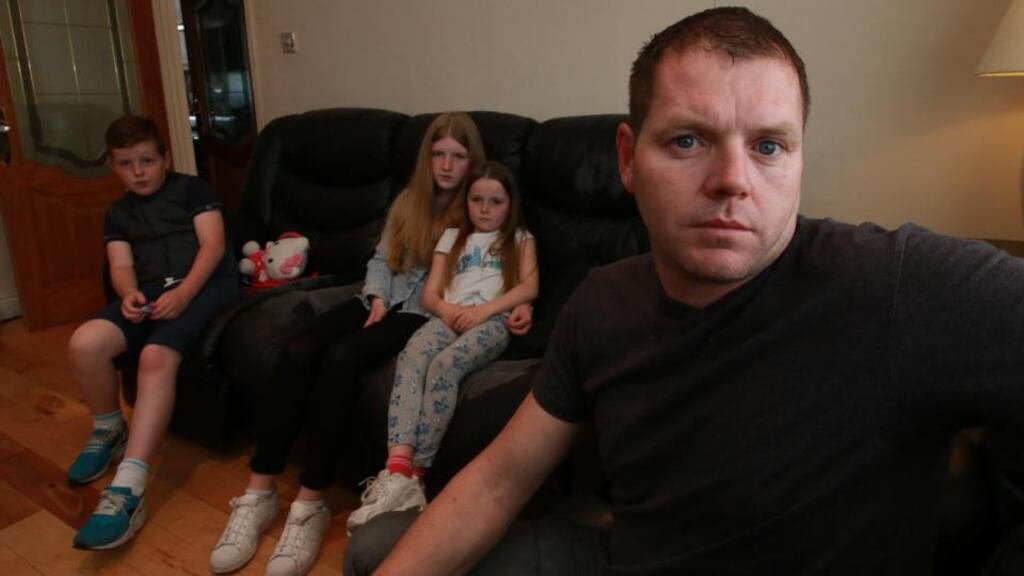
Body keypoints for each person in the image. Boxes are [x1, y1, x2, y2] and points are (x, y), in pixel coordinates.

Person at [347, 6, 1024, 576]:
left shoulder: (900, 286)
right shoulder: (601, 303)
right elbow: (499, 482)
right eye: (689, 139)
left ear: (799, 158)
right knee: (374, 551)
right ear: (626, 158)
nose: (733, 178)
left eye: (768, 146)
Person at [207, 113, 533, 576]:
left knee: (342, 359)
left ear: (472, 161)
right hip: (379, 298)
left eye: (457, 156)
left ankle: (310, 503)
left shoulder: (479, 207)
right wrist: (377, 295)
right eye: (438, 154)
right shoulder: (408, 199)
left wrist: (515, 306)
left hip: (421, 313)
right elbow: (381, 258)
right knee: (299, 350)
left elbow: (498, 273)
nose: (446, 165)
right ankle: (259, 492)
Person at [67, 114, 239, 550]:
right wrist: (127, 295)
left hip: (206, 283)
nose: (139, 172)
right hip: (149, 289)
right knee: (85, 343)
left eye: (147, 160)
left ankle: (128, 487)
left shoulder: (193, 190)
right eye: (127, 163)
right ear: (113, 165)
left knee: (155, 357)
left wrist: (184, 295)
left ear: (165, 157)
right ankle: (108, 429)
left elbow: (213, 246)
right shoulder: (118, 213)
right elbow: (120, 264)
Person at [346, 161, 539, 535]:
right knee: (413, 356)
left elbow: (528, 288)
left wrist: (485, 310)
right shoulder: (452, 237)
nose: (484, 209)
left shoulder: (521, 239)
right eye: (477, 199)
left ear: (510, 204)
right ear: (466, 201)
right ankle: (397, 470)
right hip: (446, 317)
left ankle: (417, 476)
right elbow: (430, 294)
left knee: (444, 366)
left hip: (492, 321)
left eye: (495, 201)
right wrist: (450, 311)